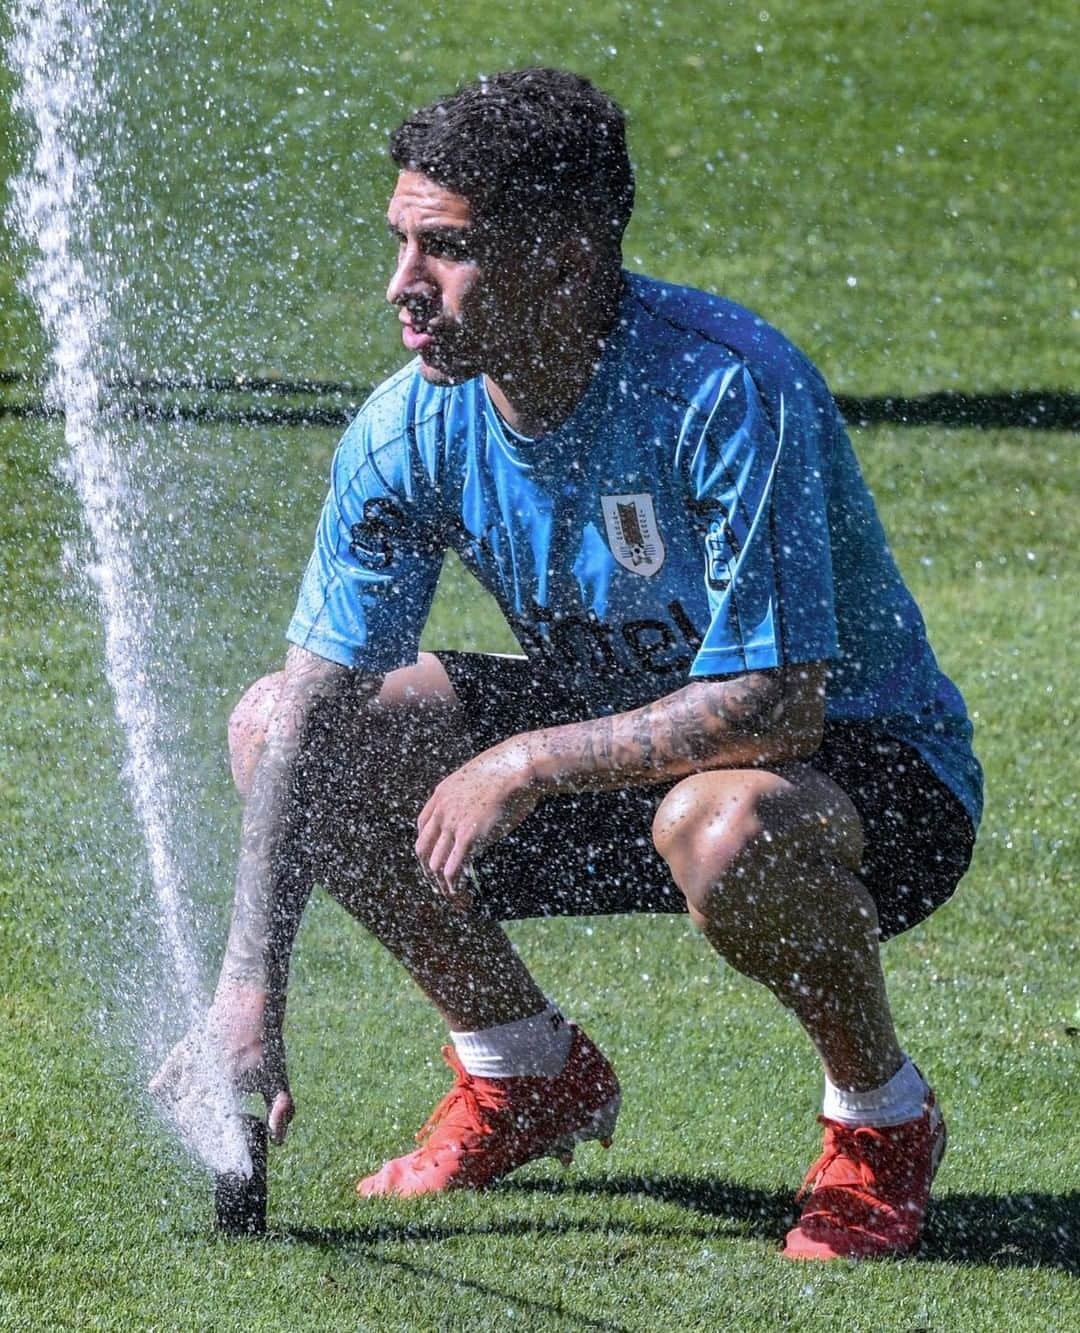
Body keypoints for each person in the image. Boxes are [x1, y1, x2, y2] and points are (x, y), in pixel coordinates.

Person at [152, 67, 982, 1261]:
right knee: (275, 722)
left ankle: (881, 1122)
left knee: (721, 826)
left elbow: (775, 703)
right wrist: (246, 993)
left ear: (567, 259)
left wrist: (528, 759)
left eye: (447, 250)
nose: (402, 288)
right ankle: (519, 1071)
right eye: (401, 244)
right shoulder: (408, 425)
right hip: (622, 762)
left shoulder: (725, 386)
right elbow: (313, 716)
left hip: (860, 782)